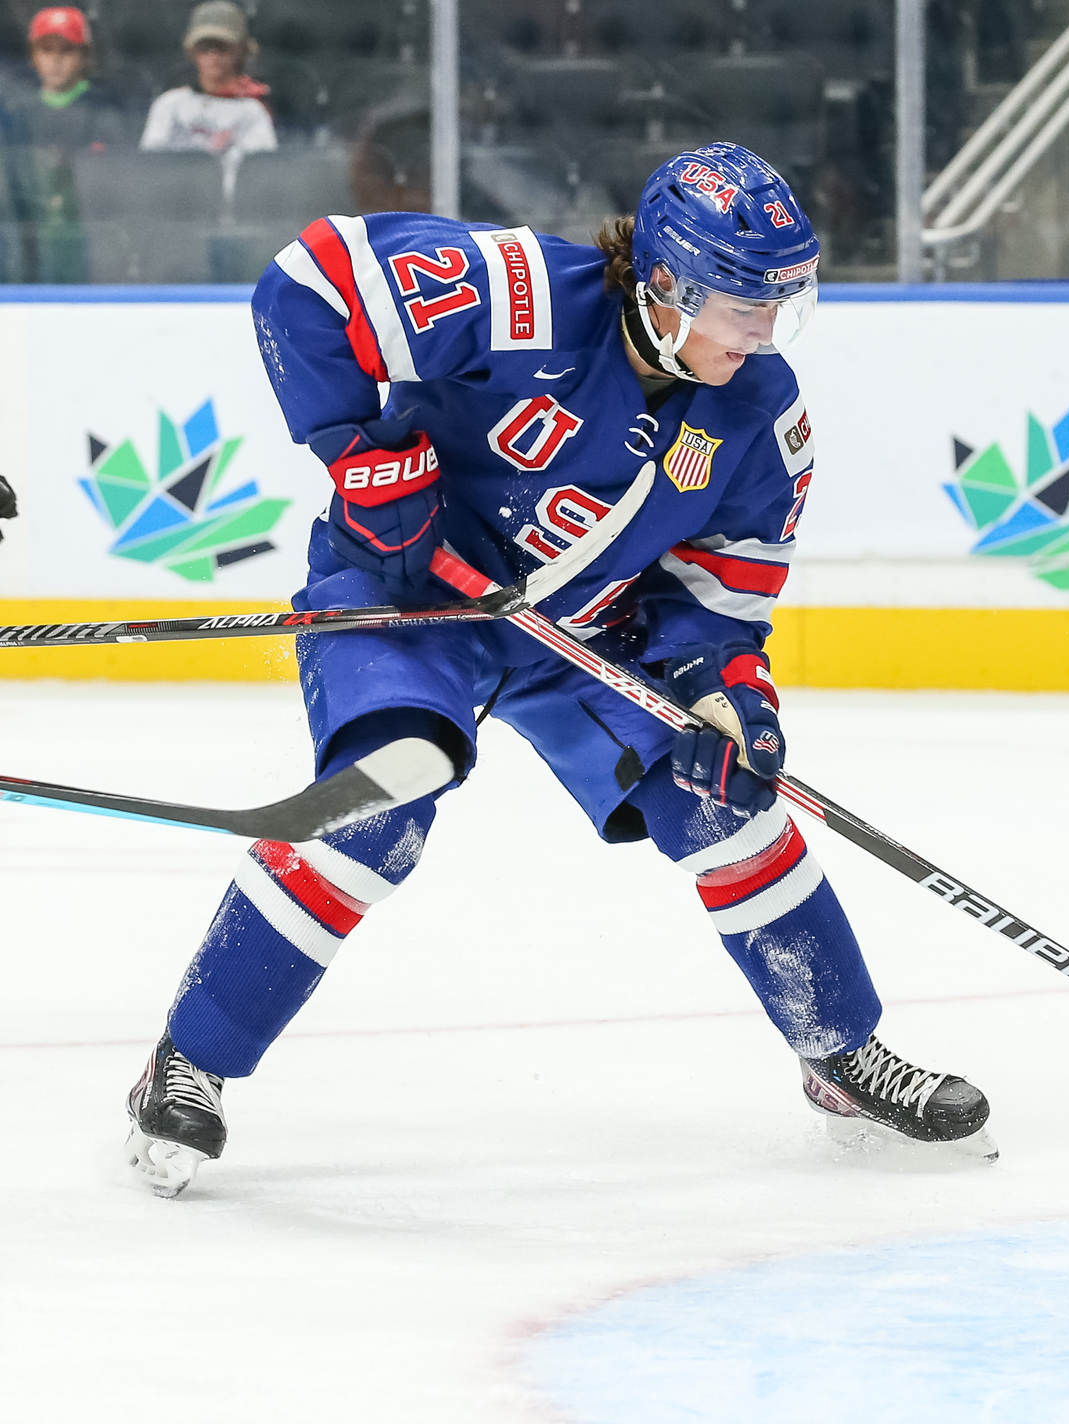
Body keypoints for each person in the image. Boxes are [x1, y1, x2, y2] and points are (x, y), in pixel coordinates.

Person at [123, 142, 995, 1198]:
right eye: (743, 306)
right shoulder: (520, 294)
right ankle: (190, 1061)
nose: (764, 332)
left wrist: (729, 693)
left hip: (578, 634)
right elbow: (309, 282)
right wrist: (361, 455)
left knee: (724, 808)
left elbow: (720, 594)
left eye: (780, 306)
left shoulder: (761, 414)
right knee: (380, 803)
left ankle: (841, 1054)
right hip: (403, 599)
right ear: (665, 282)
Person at [10, 6, 128, 282]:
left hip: (92, 238)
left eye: (66, 50)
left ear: (85, 55)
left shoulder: (105, 111)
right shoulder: (17, 116)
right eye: (46, 50)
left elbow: (119, 181)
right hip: (33, 240)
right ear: (33, 56)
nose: (56, 60)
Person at [138, 1, 275, 164]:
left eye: (222, 48)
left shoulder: (252, 111)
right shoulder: (169, 105)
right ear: (192, 52)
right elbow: (150, 165)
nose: (213, 55)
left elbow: (260, 169)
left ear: (240, 51)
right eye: (204, 48)